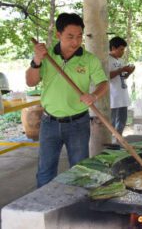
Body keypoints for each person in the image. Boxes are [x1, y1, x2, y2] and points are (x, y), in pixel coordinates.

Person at [26, 13, 109, 188]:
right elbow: (31, 81)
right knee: (45, 171)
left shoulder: (89, 60)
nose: (75, 41)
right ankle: (44, 210)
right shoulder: (47, 57)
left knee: (80, 171)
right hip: (49, 123)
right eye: (70, 36)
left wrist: (93, 95)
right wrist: (36, 61)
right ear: (58, 35)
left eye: (79, 36)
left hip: (78, 123)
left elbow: (103, 83)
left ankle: (78, 209)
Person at [108, 36, 135, 136]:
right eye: (121, 49)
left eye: (124, 49)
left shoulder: (121, 60)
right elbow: (107, 76)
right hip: (113, 96)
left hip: (123, 95)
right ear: (113, 48)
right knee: (112, 121)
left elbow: (122, 77)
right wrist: (122, 69)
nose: (122, 52)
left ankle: (119, 140)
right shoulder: (107, 60)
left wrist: (129, 72)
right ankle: (110, 141)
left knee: (122, 121)